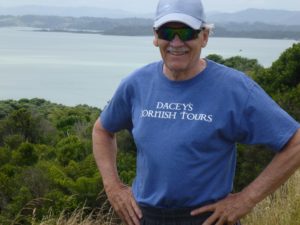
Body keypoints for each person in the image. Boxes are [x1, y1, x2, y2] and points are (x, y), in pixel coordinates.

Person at [92, 0, 300, 224]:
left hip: (207, 218)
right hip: (145, 217)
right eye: (167, 32)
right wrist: (113, 188)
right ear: (155, 36)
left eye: (187, 32)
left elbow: (295, 142)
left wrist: (247, 199)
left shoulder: (234, 88)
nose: (176, 42)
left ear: (204, 36)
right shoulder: (137, 84)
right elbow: (102, 130)